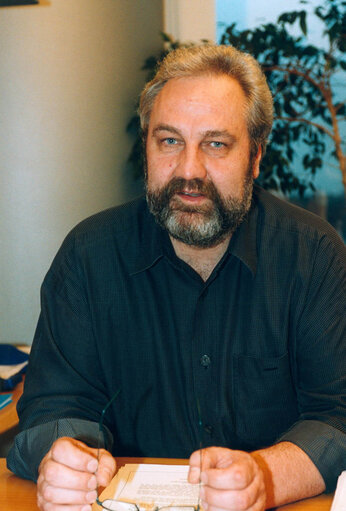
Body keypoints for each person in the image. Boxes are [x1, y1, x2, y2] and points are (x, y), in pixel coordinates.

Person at [7, 44, 345, 511]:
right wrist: (63, 461)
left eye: (216, 144)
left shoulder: (315, 256)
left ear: (255, 156)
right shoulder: (88, 257)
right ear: (146, 145)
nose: (189, 171)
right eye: (169, 141)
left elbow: (339, 414)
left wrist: (266, 478)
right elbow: (51, 407)